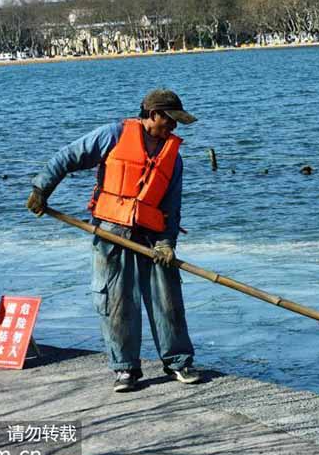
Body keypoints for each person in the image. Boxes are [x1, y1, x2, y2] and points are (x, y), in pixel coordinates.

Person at [26, 89, 202, 392]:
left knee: (168, 300)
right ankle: (125, 369)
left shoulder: (174, 157)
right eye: (170, 120)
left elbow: (172, 206)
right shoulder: (113, 135)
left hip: (152, 236)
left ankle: (178, 363)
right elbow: (67, 157)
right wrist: (42, 189)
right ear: (154, 115)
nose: (174, 127)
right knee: (116, 301)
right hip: (111, 231)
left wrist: (167, 243)